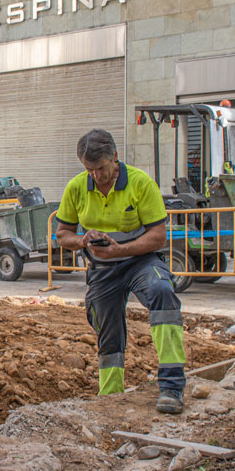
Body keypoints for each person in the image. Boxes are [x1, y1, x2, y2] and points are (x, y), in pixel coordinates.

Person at [55, 129, 187, 414]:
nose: (96, 176)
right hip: (103, 268)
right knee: (106, 325)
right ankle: (111, 395)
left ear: (115, 157)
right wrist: (82, 240)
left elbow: (158, 236)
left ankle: (172, 387)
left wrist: (121, 250)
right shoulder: (77, 187)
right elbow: (62, 233)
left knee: (162, 292)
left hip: (140, 261)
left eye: (101, 168)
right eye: (89, 170)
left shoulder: (140, 184)